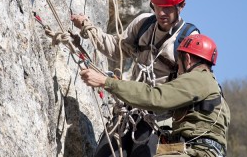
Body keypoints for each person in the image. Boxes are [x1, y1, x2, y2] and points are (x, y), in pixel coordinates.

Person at [71, 0, 199, 156]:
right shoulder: (144, 24)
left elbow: (188, 90)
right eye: (158, 7)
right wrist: (88, 28)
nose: (162, 13)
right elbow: (117, 48)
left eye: (168, 8)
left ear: (182, 6)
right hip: (129, 110)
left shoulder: (188, 40)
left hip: (159, 120)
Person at [80, 34, 231, 157]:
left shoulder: (197, 79)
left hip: (196, 152)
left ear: (188, 60)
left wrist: (106, 82)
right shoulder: (213, 88)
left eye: (179, 62)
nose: (178, 68)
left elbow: (154, 97)